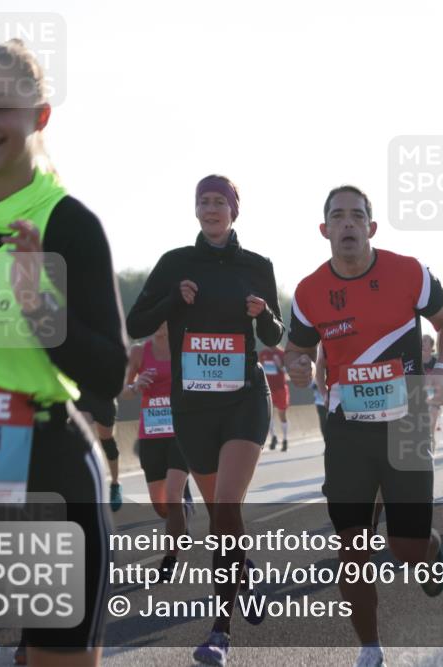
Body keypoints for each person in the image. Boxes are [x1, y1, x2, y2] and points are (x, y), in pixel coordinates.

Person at [0, 39, 127, 667]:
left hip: (43, 472)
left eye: (0, 108)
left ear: (39, 117)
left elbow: (109, 372)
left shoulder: (68, 224)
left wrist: (39, 307)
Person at [285, 185, 443, 667]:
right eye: (337, 217)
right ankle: (369, 646)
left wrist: (442, 369)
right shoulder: (308, 291)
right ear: (324, 230)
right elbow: (296, 351)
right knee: (353, 548)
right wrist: (298, 366)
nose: (347, 224)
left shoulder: (408, 272)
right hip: (347, 432)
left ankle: (429, 545)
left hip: (405, 425)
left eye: (356, 216)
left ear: (371, 227)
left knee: (405, 549)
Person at [127, 174, 283, 666]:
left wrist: (261, 315)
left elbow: (275, 333)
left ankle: (220, 631)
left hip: (243, 399)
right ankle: (246, 569)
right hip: (192, 408)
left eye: (220, 201)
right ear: (196, 210)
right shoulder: (176, 263)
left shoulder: (257, 266)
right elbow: (136, 324)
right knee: (221, 516)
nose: (212, 208)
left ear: (235, 209)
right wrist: (175, 299)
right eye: (204, 201)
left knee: (228, 507)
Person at [119, 322, 190, 578]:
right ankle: (182, 512)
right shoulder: (139, 352)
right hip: (151, 434)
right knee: (161, 506)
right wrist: (136, 387)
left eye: (163, 317)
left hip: (181, 432)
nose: (157, 323)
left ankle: (170, 560)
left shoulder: (185, 347)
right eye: (154, 317)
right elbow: (122, 391)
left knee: (173, 497)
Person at [75, 389, 122, 511]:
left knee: (107, 443)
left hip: (104, 399)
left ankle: (115, 484)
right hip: (81, 396)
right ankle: (82, 487)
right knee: (78, 438)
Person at [258, 345, 290, 451]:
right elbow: (259, 369)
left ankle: (285, 439)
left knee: (282, 414)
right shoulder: (262, 354)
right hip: (268, 389)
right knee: (268, 415)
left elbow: (288, 370)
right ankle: (273, 438)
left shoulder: (282, 353)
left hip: (280, 388)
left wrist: (279, 365)